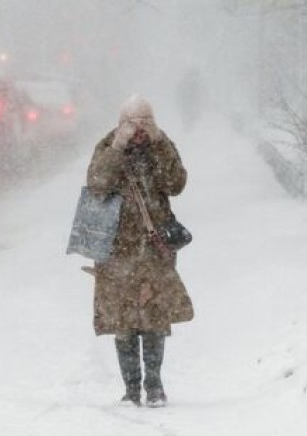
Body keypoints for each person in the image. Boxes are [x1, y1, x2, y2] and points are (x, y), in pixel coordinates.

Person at [85, 94, 193, 408]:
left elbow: (176, 183)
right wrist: (119, 147)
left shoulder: (159, 146)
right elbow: (97, 183)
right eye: (133, 123)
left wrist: (158, 142)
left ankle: (155, 385)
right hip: (116, 249)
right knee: (124, 322)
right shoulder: (108, 146)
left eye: (145, 121)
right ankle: (131, 389)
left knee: (155, 318)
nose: (139, 129)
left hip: (154, 247)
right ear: (121, 124)